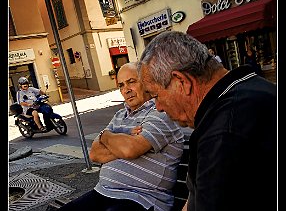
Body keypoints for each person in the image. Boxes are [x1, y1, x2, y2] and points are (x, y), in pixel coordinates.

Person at [137, 31, 277, 211]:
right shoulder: (250, 87)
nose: (158, 107)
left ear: (182, 81)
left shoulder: (222, 134)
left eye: (156, 95)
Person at [58, 62, 186, 211]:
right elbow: (95, 154)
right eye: (121, 85)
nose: (126, 90)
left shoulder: (160, 112)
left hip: (143, 199)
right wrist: (117, 136)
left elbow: (130, 150)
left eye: (131, 82)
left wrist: (107, 137)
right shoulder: (120, 115)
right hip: (103, 192)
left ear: (146, 82)